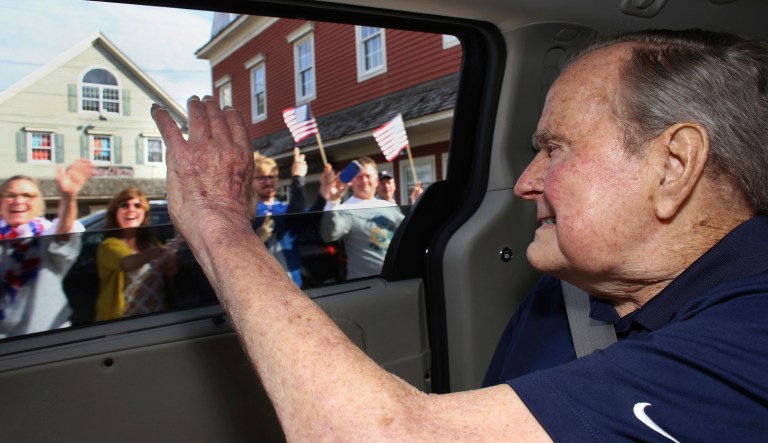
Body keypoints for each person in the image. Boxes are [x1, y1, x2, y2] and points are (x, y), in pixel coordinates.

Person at [152, 28, 768, 441]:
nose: (526, 184)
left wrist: (217, 221)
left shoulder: (752, 342)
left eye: (555, 149)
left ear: (674, 167)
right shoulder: (563, 299)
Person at [0, 159, 93, 338]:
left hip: (47, 339)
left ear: (39, 205)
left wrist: (68, 196)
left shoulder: (45, 236)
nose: (18, 200)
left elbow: (63, 234)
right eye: (9, 195)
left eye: (28, 195)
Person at [95, 188, 179, 321]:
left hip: (158, 318)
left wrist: (170, 267)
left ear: (144, 213)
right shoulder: (109, 245)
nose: (131, 209)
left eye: (137, 205)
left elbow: (165, 276)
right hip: (123, 324)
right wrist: (156, 252)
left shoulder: (151, 241)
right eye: (124, 205)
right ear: (114, 213)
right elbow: (126, 263)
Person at [319, 157, 405, 279]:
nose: (364, 181)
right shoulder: (345, 209)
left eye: (368, 176)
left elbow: (409, 231)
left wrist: (419, 203)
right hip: (366, 284)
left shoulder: (388, 206)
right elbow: (329, 234)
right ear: (351, 181)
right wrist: (332, 201)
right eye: (359, 177)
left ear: (376, 181)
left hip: (397, 278)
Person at [252, 148, 309, 287]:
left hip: (293, 284)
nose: (267, 181)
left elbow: (301, 215)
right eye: (261, 177)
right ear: (251, 181)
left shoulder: (284, 209)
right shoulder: (247, 212)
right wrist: (256, 239)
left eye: (271, 177)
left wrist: (327, 198)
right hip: (260, 286)